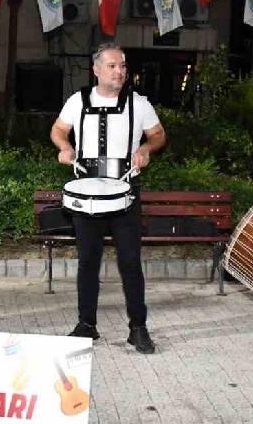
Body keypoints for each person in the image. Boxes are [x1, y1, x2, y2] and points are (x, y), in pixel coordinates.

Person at [49, 42, 166, 354]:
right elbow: (58, 130)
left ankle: (138, 328)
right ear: (96, 69)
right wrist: (64, 147)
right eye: (113, 66)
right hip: (86, 193)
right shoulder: (78, 100)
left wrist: (144, 149)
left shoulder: (138, 103)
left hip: (125, 191)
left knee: (130, 261)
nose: (120, 71)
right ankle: (86, 324)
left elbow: (158, 135)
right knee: (88, 261)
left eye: (123, 66)